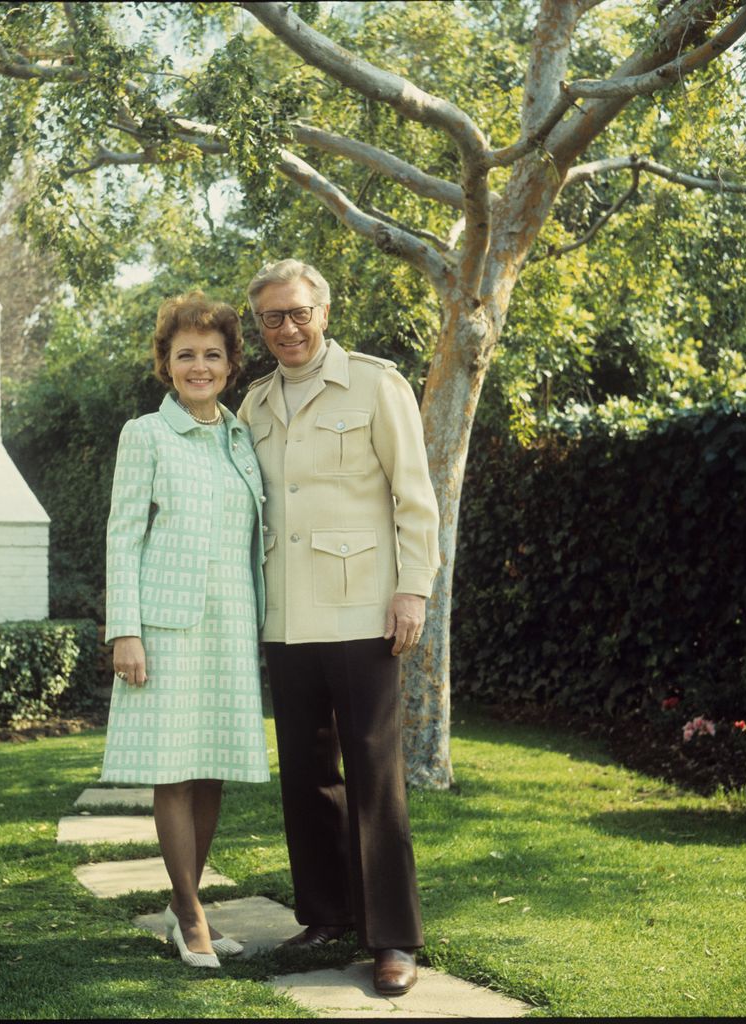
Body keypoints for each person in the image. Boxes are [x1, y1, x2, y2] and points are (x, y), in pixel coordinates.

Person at [238, 259, 441, 996]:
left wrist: (412, 591)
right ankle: (324, 912)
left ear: (324, 311)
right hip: (285, 615)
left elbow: (413, 498)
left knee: (375, 774)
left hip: (363, 609)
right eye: (271, 318)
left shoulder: (377, 385)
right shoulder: (254, 403)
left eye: (298, 313)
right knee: (306, 771)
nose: (286, 329)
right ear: (257, 325)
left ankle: (392, 938)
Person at [102, 291, 270, 969]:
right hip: (164, 627)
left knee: (214, 768)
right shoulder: (144, 434)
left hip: (231, 625)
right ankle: (192, 912)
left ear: (232, 363)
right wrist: (126, 631)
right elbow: (121, 535)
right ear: (165, 364)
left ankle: (183, 907)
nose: (199, 366)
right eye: (185, 355)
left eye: (212, 354)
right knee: (173, 771)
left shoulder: (241, 436)